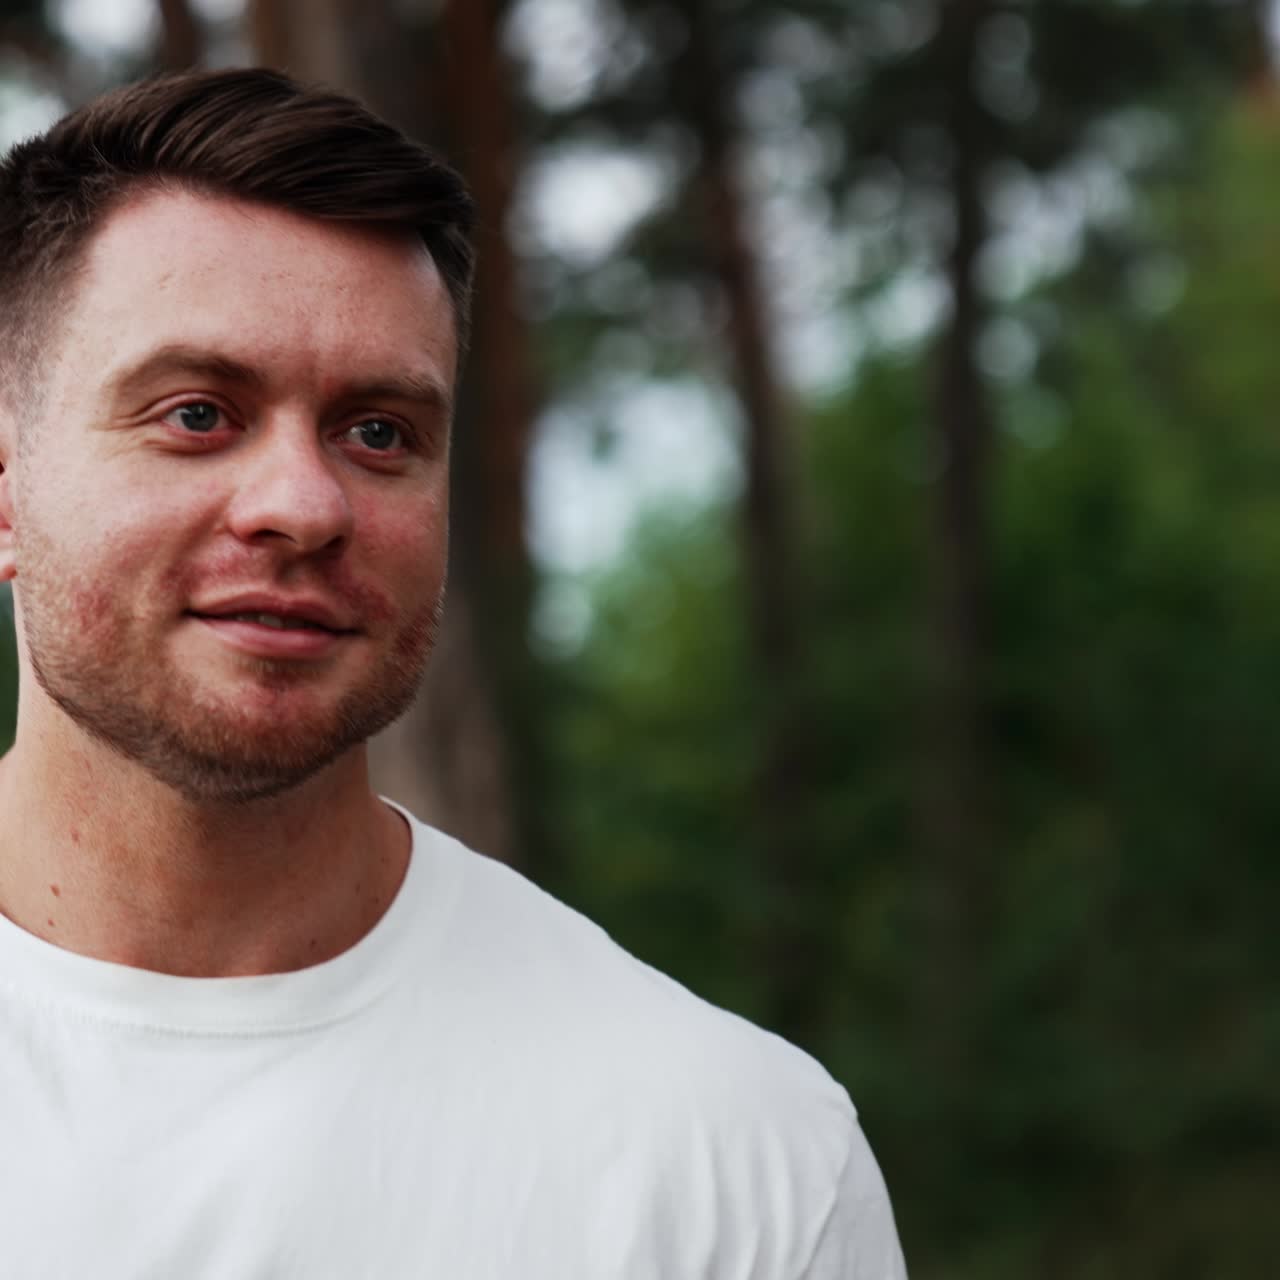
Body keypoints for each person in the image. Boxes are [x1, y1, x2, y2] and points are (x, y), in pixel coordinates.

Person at [0, 68, 906, 1277]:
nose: (302, 506)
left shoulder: (728, 1160)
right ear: (7, 487)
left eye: (379, 431)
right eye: (198, 412)